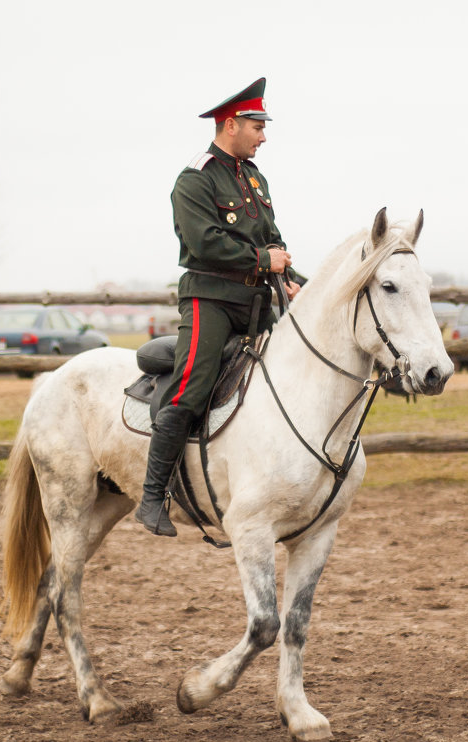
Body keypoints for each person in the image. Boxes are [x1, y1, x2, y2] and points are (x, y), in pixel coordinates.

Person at [136, 77, 300, 536]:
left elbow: (271, 236)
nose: (263, 136)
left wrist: (288, 277)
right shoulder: (195, 178)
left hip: (255, 301)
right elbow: (202, 242)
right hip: (210, 298)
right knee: (192, 389)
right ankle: (152, 499)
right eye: (257, 126)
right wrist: (260, 259)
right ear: (232, 124)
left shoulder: (254, 177)